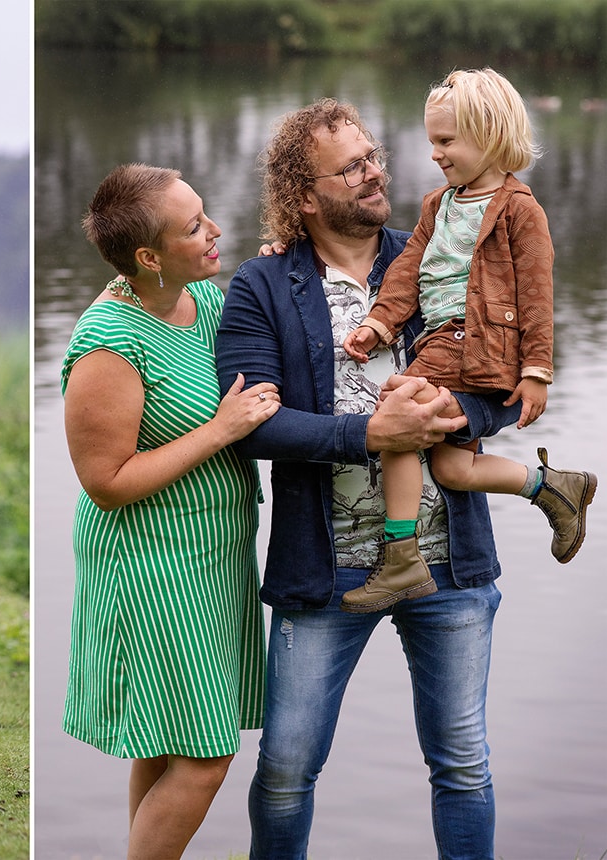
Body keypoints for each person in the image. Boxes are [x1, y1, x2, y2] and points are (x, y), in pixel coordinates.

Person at [214, 99, 504, 858]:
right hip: (326, 571)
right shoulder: (262, 285)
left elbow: (501, 388)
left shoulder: (439, 253)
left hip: (451, 564)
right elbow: (253, 423)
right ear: (304, 195)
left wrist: (452, 415)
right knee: (284, 772)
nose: (376, 171)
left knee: (464, 767)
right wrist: (368, 434)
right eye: (352, 166)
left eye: (374, 155)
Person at [60, 163, 280, 858]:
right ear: (148, 257)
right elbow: (107, 482)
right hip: (150, 564)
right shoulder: (108, 344)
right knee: (205, 754)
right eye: (194, 226)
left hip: (213, 557)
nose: (215, 230)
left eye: (204, 213)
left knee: (164, 743)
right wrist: (221, 431)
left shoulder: (205, 301)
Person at [339, 68, 596, 613]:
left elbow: (537, 294)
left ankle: (401, 556)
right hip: (442, 336)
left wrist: (536, 371)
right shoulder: (439, 204)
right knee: (454, 469)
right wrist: (381, 323)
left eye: (446, 141)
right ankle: (553, 487)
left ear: (490, 134)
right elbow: (408, 270)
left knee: (399, 408)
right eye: (432, 140)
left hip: (475, 339)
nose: (434, 152)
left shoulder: (520, 210)